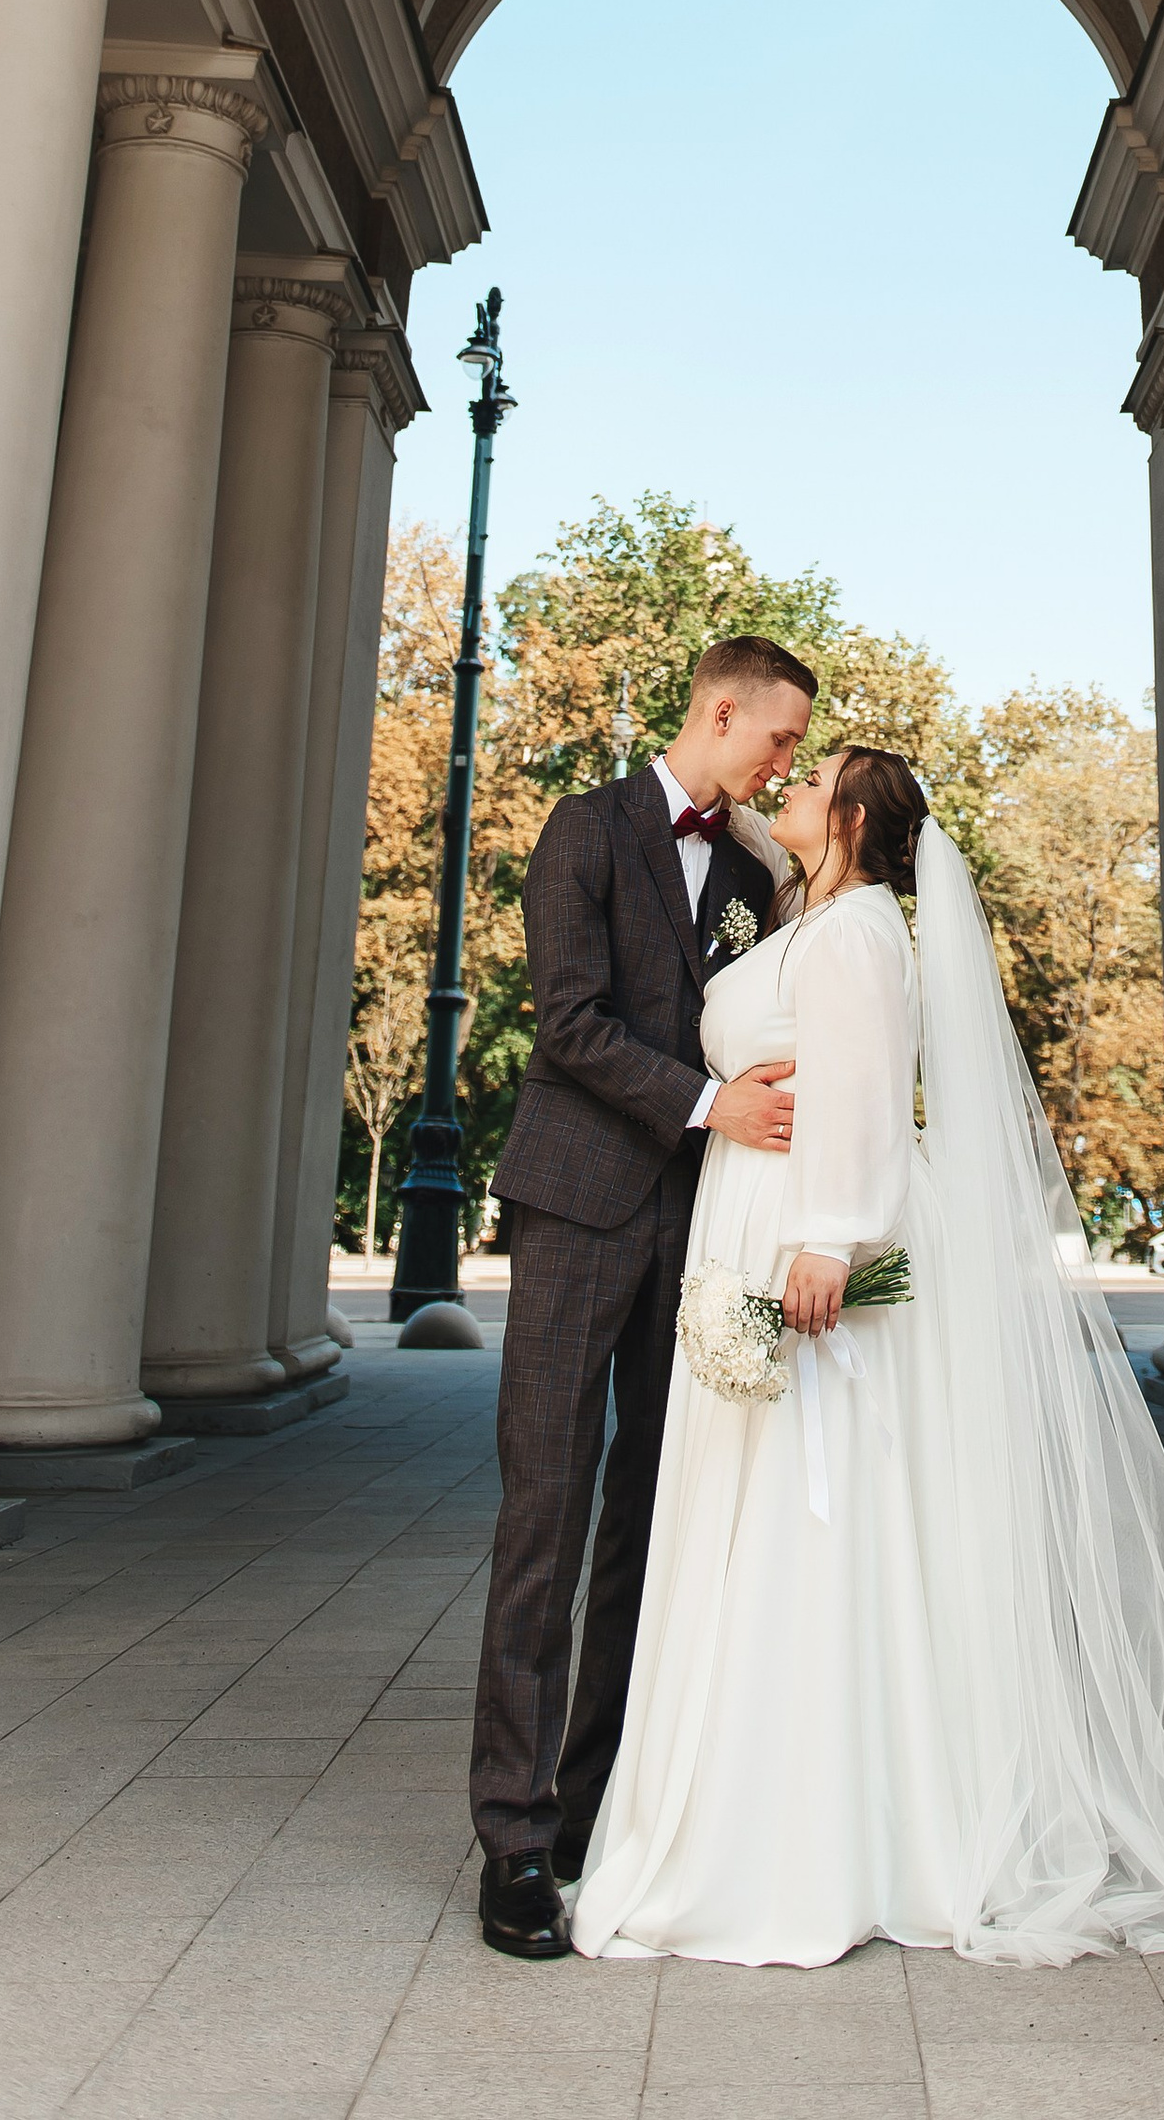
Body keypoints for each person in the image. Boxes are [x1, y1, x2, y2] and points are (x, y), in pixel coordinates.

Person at [569, 744, 1164, 1969]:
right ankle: (744, 1809)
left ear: (859, 816)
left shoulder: (863, 928)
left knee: (812, 1519)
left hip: (809, 1228)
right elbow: (740, 814)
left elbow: (867, 1091)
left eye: (814, 774)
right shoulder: (804, 905)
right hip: (748, 1202)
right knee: (757, 1510)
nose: (792, 786)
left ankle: (820, 1841)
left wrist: (828, 1238)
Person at [468, 633, 815, 1961]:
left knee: (654, 1518)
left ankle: (594, 1803)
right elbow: (570, 1016)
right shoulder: (584, 828)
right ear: (720, 709)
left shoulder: (751, 868)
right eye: (777, 737)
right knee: (545, 1510)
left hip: (703, 1223)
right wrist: (704, 1100)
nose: (784, 760)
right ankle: (510, 1835)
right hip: (578, 1202)